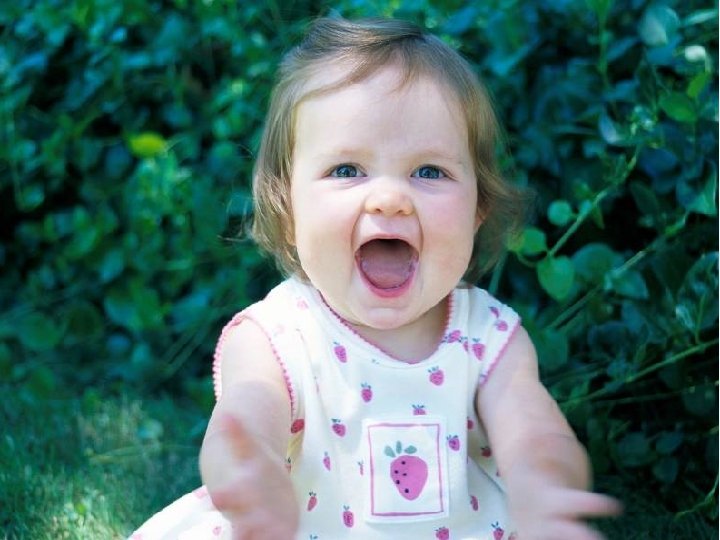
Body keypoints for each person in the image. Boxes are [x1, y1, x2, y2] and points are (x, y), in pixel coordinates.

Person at [129, 15, 621, 540]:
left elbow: (530, 425)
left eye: (429, 171)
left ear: (478, 208)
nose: (390, 198)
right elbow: (246, 416)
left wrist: (543, 483)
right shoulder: (277, 337)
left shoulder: (487, 336)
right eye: (347, 170)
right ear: (289, 209)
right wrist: (251, 472)